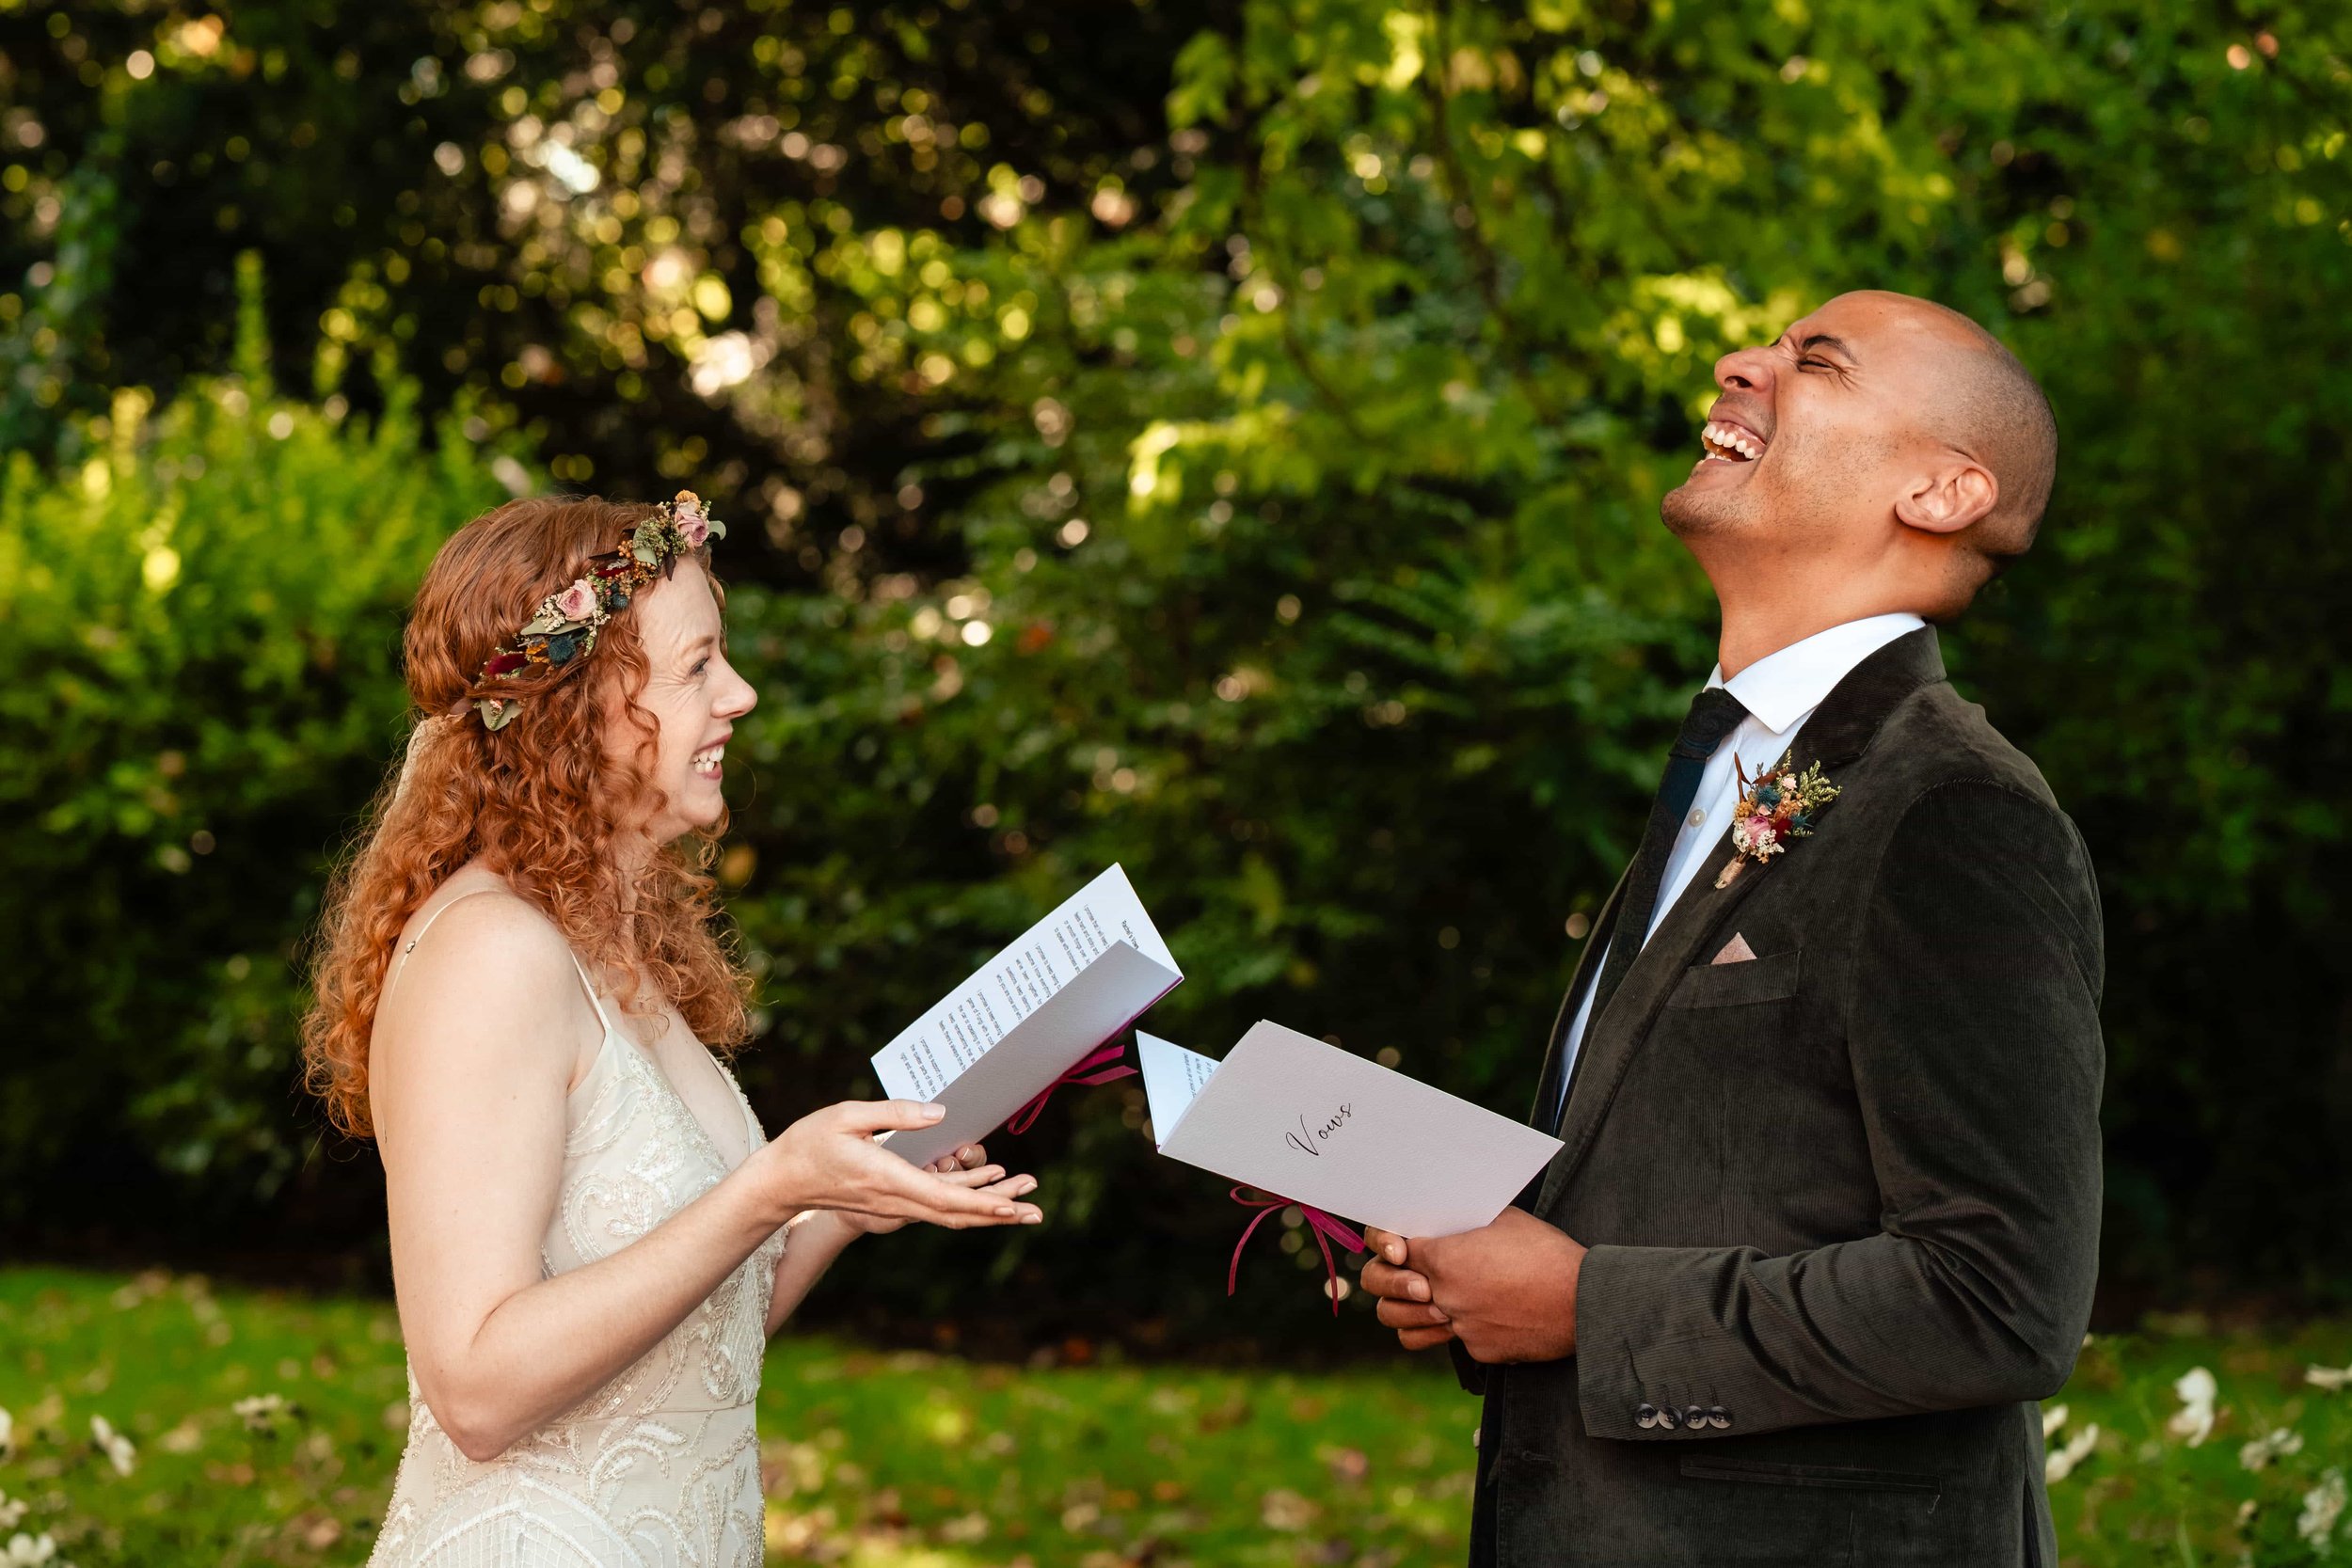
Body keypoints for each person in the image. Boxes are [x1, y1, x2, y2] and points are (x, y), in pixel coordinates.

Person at [1359, 292, 2104, 1566]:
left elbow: (2000, 1298)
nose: (1740, 363)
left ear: (1943, 491)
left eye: (1816, 360)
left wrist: (1583, 1305)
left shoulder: (1955, 806)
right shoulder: (1767, 780)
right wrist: (1471, 1272)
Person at [301, 492, 1040, 1566]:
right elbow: (474, 1383)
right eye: (697, 666)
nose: (739, 694)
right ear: (579, 702)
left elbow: (691, 1345)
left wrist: (835, 1202)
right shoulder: (490, 953)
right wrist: (769, 1185)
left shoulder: (607, 949)